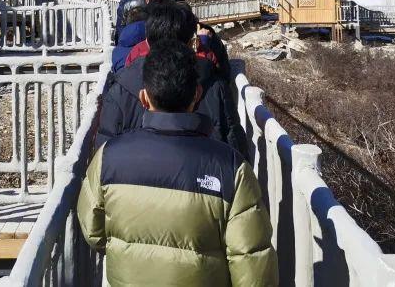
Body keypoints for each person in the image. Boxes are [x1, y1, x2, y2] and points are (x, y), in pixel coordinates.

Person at [78, 40, 278, 287]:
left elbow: (92, 231)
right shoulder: (230, 167)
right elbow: (252, 265)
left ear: (144, 97)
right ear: (197, 94)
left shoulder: (108, 157)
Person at [96, 1, 248, 156]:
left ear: (147, 41)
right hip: (204, 170)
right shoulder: (214, 85)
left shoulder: (121, 85)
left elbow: (104, 151)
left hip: (130, 173)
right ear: (191, 43)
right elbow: (234, 146)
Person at [167, 0, 232, 81]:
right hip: (199, 89)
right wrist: (204, 43)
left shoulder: (156, 31)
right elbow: (222, 68)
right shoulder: (204, 32)